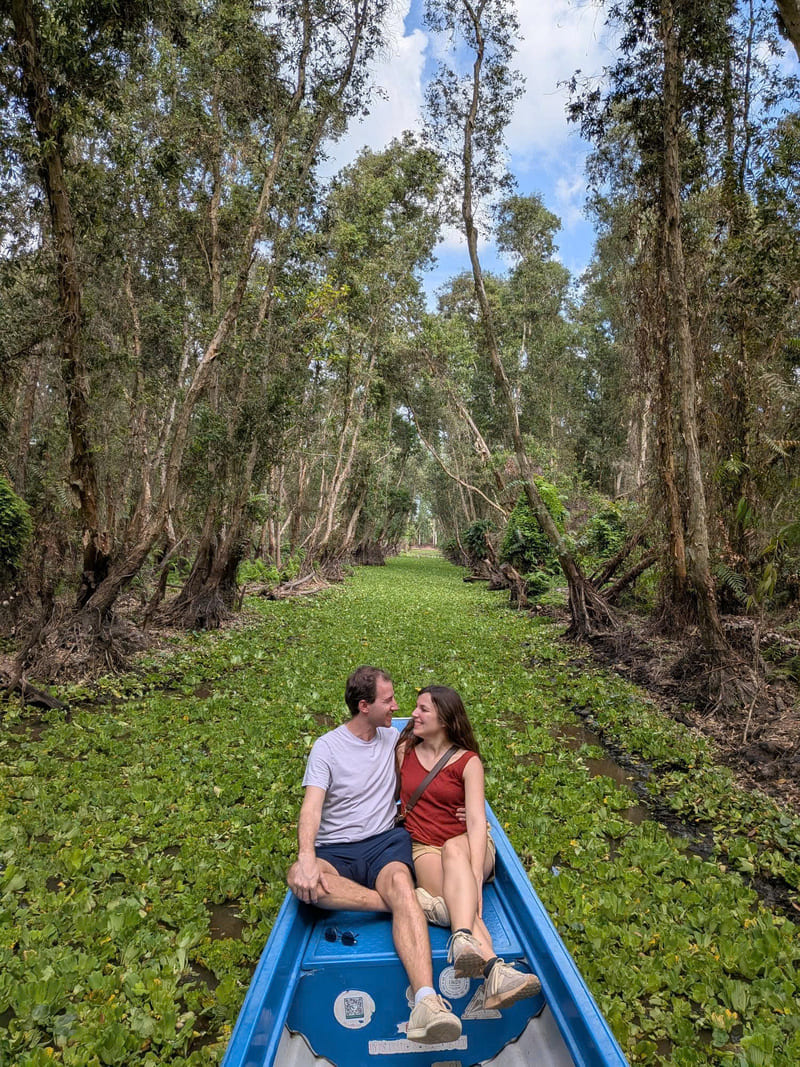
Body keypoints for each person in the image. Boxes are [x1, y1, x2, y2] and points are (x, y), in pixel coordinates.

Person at [286, 665, 462, 1045]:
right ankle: (398, 904)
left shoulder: (394, 738)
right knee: (301, 879)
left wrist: (461, 804)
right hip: (336, 849)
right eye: (388, 700)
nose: (396, 707)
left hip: (383, 841)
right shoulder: (326, 748)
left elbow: (445, 751)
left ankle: (427, 1002)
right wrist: (306, 856)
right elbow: (311, 807)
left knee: (399, 880)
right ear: (364, 706)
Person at [396, 685, 541, 1011]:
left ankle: (460, 934)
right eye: (416, 708)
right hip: (425, 847)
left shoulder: (468, 762)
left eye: (423, 709)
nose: (413, 714)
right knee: (456, 897)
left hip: (469, 845)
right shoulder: (404, 750)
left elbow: (476, 822)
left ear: (445, 720)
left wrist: (475, 877)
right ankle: (495, 972)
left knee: (454, 856)